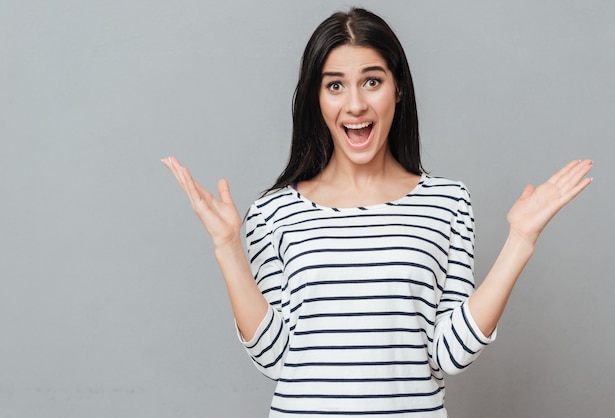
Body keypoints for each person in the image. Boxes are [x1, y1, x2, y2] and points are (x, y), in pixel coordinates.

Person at [162, 7, 593, 417]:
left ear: (398, 88)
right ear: (317, 99)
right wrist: (227, 247)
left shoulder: (447, 203)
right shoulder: (273, 213)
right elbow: (274, 357)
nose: (355, 105)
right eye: (335, 85)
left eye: (372, 81)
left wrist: (519, 242)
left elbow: (448, 353)